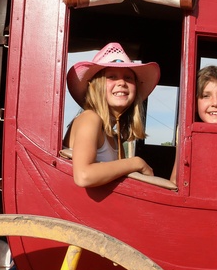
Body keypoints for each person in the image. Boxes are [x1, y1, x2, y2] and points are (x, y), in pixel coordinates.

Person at [65, 42, 160, 187]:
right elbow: (84, 176)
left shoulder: (114, 138)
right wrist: (136, 162)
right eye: (112, 77)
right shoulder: (90, 118)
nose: (121, 82)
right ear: (95, 85)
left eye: (128, 78)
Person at [170, 65, 217, 182]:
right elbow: (176, 180)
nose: (215, 103)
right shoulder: (185, 131)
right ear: (195, 104)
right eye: (206, 96)